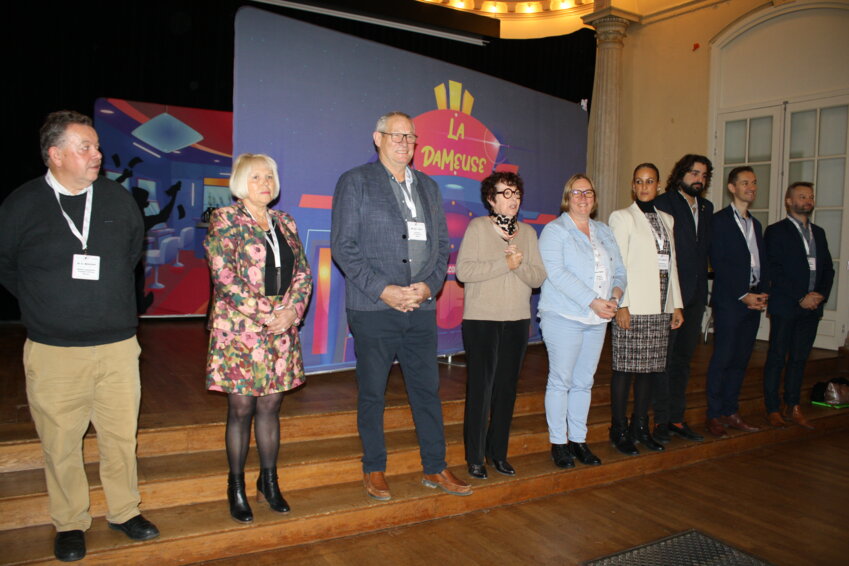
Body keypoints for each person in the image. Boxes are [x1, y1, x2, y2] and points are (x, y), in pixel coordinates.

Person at [0, 110, 158, 562]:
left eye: (96, 146)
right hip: (54, 351)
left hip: (117, 347)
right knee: (60, 443)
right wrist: (49, 304)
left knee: (120, 438)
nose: (97, 155)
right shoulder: (21, 205)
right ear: (55, 155)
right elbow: (7, 267)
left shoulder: (117, 201)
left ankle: (125, 511)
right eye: (84, 147)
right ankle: (70, 522)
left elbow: (131, 254)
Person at [331, 111, 471, 500]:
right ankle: (374, 468)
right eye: (397, 135)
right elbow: (345, 247)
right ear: (377, 138)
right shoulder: (355, 181)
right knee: (373, 392)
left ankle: (436, 467)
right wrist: (384, 290)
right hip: (374, 307)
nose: (404, 143)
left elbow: (441, 246)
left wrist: (428, 287)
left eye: (411, 137)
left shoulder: (428, 186)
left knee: (426, 390)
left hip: (421, 306)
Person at [204, 153, 313, 523]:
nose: (264, 183)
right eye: (255, 178)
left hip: (280, 330)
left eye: (269, 177)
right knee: (241, 410)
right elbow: (225, 277)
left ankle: (269, 482)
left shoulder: (285, 220)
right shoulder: (225, 219)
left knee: (270, 408)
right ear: (239, 183)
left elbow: (303, 274)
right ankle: (235, 487)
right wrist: (268, 315)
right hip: (239, 332)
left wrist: (290, 313)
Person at [455, 171, 546, 479]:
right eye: (505, 194)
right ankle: (475, 457)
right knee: (481, 390)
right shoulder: (478, 228)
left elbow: (537, 277)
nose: (513, 200)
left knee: (506, 390)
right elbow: (464, 272)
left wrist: (517, 266)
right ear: (491, 200)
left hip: (517, 321)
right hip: (482, 320)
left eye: (516, 194)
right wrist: (503, 264)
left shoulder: (529, 234)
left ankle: (499, 454)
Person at [539, 174, 626, 468]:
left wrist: (614, 298)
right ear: (567, 197)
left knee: (584, 383)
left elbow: (620, 272)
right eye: (576, 192)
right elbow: (557, 273)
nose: (583, 197)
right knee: (561, 380)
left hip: (598, 316)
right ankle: (558, 443)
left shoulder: (603, 231)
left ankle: (578, 439)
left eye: (588, 192)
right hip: (563, 314)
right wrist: (592, 300)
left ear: (594, 197)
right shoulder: (555, 230)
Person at [608, 163, 684, 455]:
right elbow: (619, 264)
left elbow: (671, 262)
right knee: (625, 370)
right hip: (632, 306)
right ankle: (619, 428)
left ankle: (641, 426)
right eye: (638, 181)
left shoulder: (667, 219)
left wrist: (675, 304)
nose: (643, 187)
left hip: (659, 306)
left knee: (650, 371)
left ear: (658, 185)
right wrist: (621, 305)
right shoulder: (622, 217)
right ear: (632, 185)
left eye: (649, 181)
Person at [651, 154, 714, 443]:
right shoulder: (665, 203)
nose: (698, 178)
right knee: (663, 360)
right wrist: (671, 296)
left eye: (703, 174)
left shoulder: (707, 207)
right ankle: (660, 422)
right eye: (693, 172)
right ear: (680, 174)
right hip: (670, 296)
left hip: (697, 295)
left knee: (683, 361)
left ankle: (677, 419)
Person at [763, 182, 834, 429]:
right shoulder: (776, 231)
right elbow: (774, 270)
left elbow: (827, 269)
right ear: (789, 201)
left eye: (811, 197)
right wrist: (800, 296)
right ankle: (772, 407)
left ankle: (793, 405)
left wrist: (819, 295)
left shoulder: (820, 233)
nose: (808, 200)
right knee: (777, 357)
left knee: (800, 358)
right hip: (787, 305)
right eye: (802, 196)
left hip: (812, 308)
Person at [705, 166, 768, 437]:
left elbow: (760, 263)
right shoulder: (718, 221)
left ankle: (731, 410)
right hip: (731, 301)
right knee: (723, 358)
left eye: (753, 183)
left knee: (741, 359)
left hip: (754, 301)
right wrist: (743, 295)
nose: (751, 187)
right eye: (745, 183)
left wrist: (762, 294)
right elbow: (719, 262)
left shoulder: (756, 224)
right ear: (732, 187)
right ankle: (714, 414)